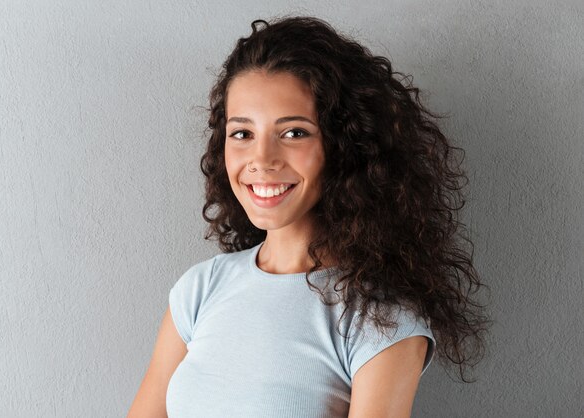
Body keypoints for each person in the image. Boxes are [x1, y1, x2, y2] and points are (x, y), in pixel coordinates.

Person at [128, 16, 488, 418]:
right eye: (242, 133)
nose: (261, 160)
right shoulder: (200, 289)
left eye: (294, 133)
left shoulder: (379, 319)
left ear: (344, 146)